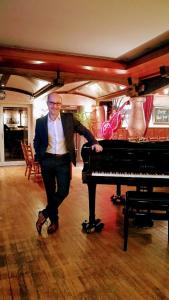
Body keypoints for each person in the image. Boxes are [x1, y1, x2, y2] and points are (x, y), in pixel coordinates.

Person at [34, 92, 103, 234]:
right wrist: (40, 156)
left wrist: (94, 142)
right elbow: (37, 141)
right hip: (47, 160)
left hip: (63, 161)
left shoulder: (68, 119)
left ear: (61, 105)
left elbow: (84, 130)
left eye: (58, 103)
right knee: (50, 193)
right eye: (52, 103)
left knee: (64, 191)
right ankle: (54, 221)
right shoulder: (40, 122)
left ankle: (44, 214)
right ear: (47, 104)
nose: (55, 106)